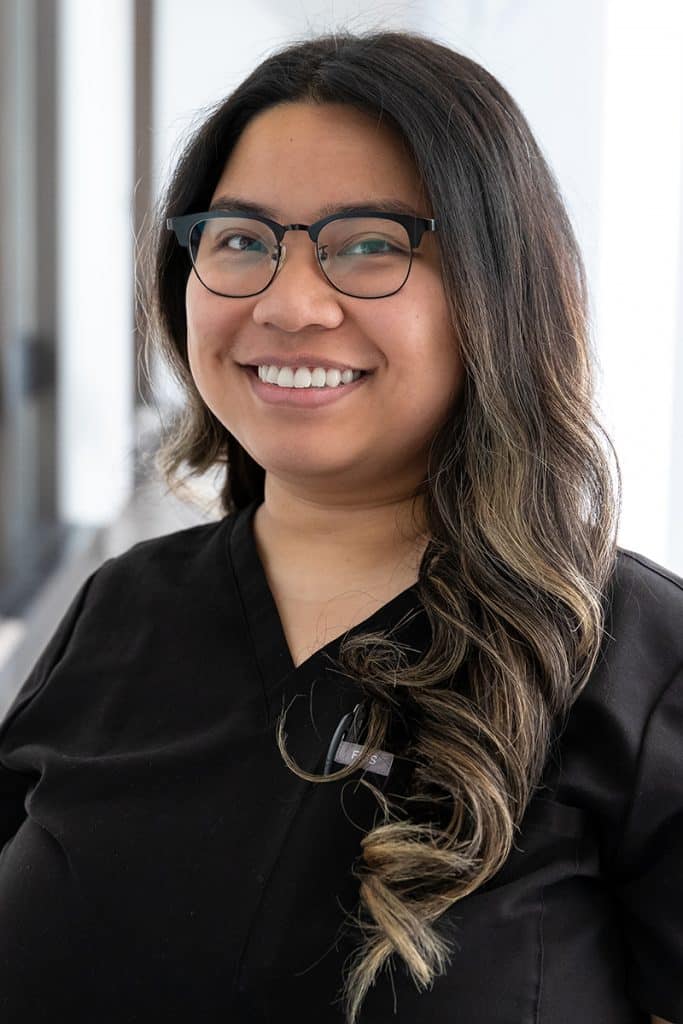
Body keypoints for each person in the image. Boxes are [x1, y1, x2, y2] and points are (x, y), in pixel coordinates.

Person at [0, 29, 681, 1024]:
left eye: (370, 243)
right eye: (238, 240)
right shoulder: (122, 608)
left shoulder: (629, 660)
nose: (289, 303)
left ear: (497, 290)